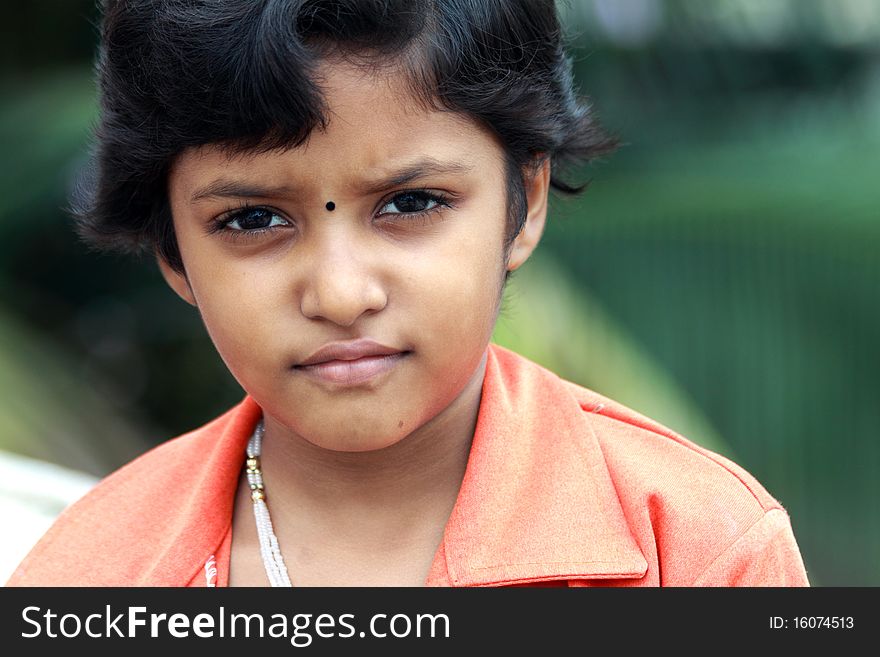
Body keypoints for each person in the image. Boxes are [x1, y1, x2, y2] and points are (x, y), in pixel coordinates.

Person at [7, 0, 808, 587]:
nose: (342, 292)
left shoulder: (699, 552)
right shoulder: (88, 578)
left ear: (521, 205)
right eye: (253, 218)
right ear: (172, 253)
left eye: (411, 203)